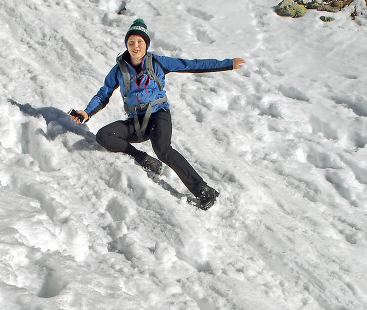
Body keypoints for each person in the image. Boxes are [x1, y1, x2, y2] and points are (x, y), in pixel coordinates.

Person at [71, 18, 245, 210]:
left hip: (158, 115)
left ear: (146, 44)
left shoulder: (158, 62)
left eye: (140, 42)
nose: (135, 46)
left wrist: (228, 64)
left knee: (162, 148)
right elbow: (104, 93)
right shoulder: (119, 69)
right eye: (131, 42)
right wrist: (86, 113)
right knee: (104, 135)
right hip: (136, 121)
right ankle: (143, 159)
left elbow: (191, 64)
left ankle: (204, 190)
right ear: (126, 44)